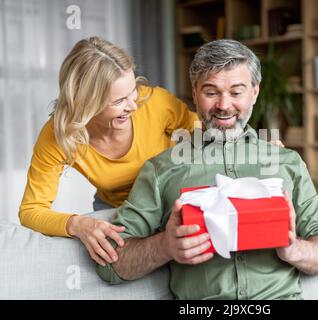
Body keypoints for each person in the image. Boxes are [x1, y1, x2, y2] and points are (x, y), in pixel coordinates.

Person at [96, 39, 318, 299]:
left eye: (236, 92)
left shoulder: (286, 162)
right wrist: (164, 247)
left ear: (255, 92)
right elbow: (111, 264)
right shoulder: (161, 169)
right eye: (211, 92)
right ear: (194, 94)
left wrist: (295, 250)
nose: (224, 105)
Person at [19, 37, 198, 267]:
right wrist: (78, 224)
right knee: (111, 266)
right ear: (86, 104)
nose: (133, 105)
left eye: (132, 91)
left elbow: (206, 139)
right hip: (116, 208)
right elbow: (31, 211)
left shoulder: (155, 103)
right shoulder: (60, 135)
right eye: (119, 100)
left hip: (167, 197)